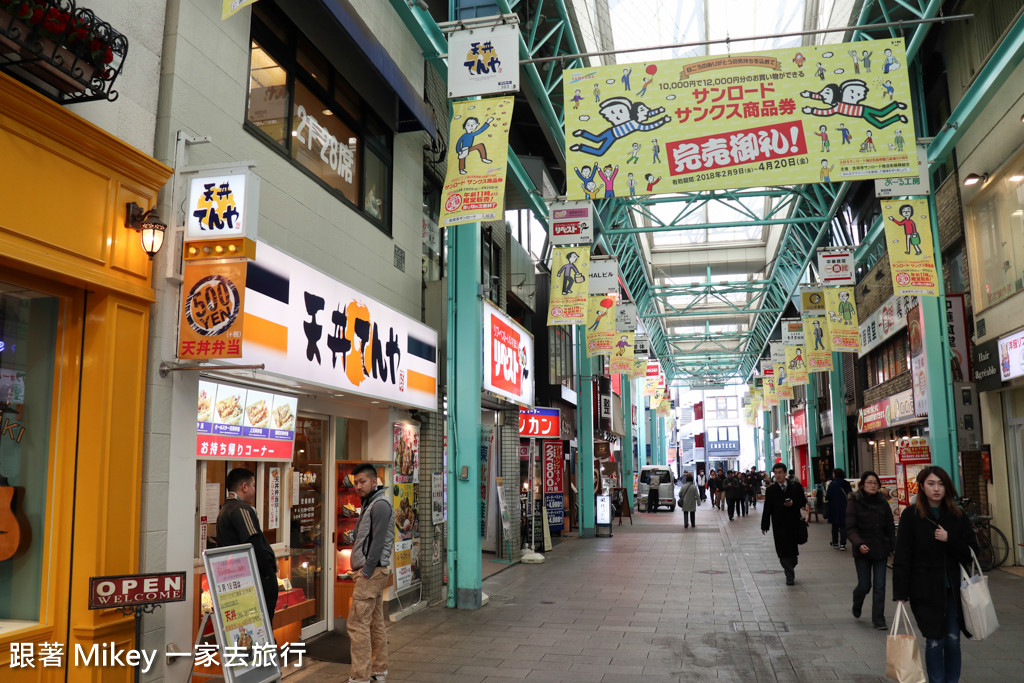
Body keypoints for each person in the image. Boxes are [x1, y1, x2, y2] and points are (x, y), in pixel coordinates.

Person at [893, 466, 978, 683]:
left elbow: (973, 553)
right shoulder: (911, 516)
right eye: (931, 484)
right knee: (934, 641)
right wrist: (900, 592)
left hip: (953, 590)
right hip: (924, 589)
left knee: (952, 640)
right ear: (922, 486)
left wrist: (950, 539)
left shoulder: (957, 515)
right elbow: (902, 555)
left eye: (941, 484)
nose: (936, 489)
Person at [346, 464, 396, 683]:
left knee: (357, 624)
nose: (358, 486)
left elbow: (376, 543)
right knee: (375, 622)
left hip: (372, 572)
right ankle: (378, 671)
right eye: (356, 482)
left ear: (375, 482)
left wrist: (365, 571)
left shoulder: (380, 505)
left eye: (363, 482)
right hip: (373, 572)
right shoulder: (371, 503)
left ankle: (360, 676)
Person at [216, 468, 279, 622]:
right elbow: (254, 543)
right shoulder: (241, 509)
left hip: (235, 577)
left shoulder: (225, 509)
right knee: (262, 623)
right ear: (244, 487)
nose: (254, 490)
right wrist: (268, 571)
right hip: (252, 579)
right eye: (254, 485)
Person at [846, 471, 896, 629]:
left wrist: (893, 547)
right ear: (862, 485)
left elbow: (889, 526)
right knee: (864, 585)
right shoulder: (854, 502)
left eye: (875, 483)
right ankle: (857, 601)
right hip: (862, 551)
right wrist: (859, 543)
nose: (873, 485)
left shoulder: (883, 502)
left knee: (880, 586)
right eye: (870, 482)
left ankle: (878, 619)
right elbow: (850, 527)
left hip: (880, 548)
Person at [761, 463, 807, 585]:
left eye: (780, 472)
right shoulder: (771, 490)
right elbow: (767, 508)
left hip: (793, 523)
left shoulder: (795, 486)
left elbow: (802, 501)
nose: (778, 475)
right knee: (782, 550)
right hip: (779, 524)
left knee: (792, 552)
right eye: (775, 473)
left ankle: (791, 567)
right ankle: (789, 575)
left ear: (785, 473)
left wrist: (793, 503)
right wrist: (764, 525)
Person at [826, 468, 852, 550]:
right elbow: (850, 494)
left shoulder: (832, 484)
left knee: (835, 526)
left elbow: (828, 496)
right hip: (845, 507)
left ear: (835, 474)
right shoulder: (847, 484)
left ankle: (835, 543)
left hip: (834, 507)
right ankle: (843, 544)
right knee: (843, 526)